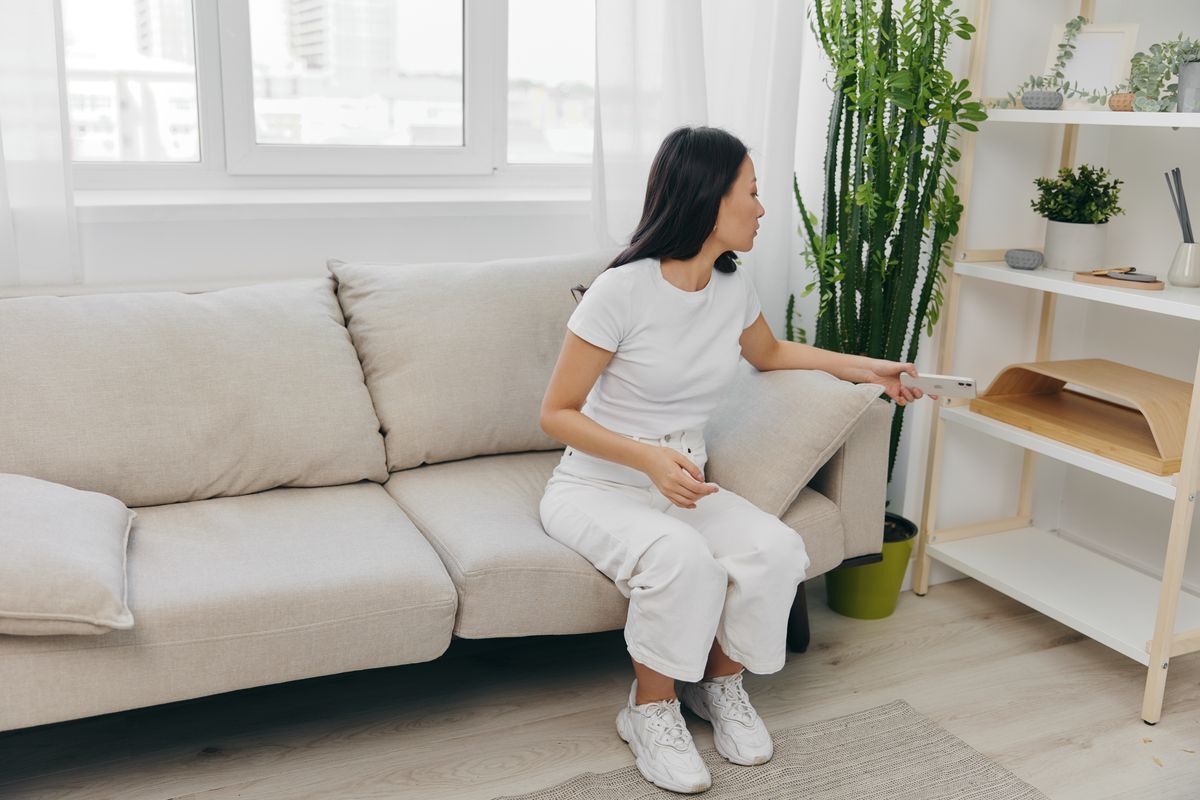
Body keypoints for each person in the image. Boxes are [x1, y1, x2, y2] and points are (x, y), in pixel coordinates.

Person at [538, 125, 931, 794]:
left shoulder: (730, 288)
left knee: (776, 549)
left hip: (683, 483)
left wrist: (870, 369)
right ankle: (650, 710)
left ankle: (716, 689)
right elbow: (557, 413)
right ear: (709, 197)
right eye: (751, 191)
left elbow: (772, 355)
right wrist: (646, 458)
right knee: (681, 559)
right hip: (598, 486)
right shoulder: (621, 291)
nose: (761, 207)